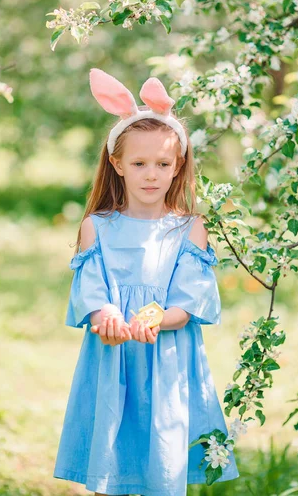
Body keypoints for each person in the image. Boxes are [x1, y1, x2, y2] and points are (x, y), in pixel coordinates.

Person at [53, 68, 240, 496]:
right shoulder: (97, 228)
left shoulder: (189, 229)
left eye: (163, 164)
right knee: (112, 455)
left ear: (178, 167)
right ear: (118, 164)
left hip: (168, 357)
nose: (151, 174)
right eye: (139, 163)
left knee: (163, 452)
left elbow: (191, 303)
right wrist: (109, 316)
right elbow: (92, 292)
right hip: (114, 357)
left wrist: (153, 318)